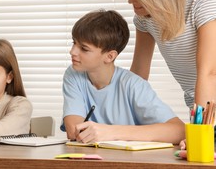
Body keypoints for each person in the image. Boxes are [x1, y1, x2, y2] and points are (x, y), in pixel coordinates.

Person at [120, 0, 216, 148]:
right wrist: (117, 121)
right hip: (201, 109)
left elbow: (209, 73)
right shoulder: (144, 18)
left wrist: (199, 132)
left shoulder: (204, 3)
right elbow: (138, 74)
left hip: (207, 112)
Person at [61, 9, 185, 144]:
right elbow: (74, 131)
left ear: (109, 56)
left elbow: (179, 130)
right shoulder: (73, 74)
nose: (72, 51)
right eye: (74, 43)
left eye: (84, 49)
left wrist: (110, 132)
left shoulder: (133, 84)